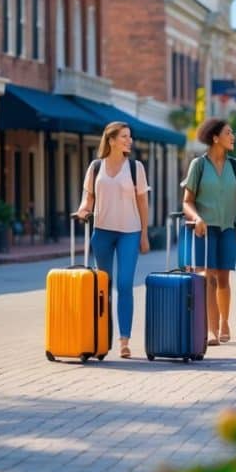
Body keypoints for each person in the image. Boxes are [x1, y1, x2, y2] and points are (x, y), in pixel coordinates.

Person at [75, 121, 150, 359]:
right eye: (124, 137)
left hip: (130, 232)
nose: (129, 141)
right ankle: (101, 337)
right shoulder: (96, 167)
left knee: (125, 284)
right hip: (102, 232)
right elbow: (88, 199)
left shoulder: (136, 167)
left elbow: (142, 203)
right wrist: (83, 210)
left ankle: (124, 340)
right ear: (111, 140)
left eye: (130, 137)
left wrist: (145, 234)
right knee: (102, 288)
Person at [181, 118, 236, 346]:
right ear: (215, 137)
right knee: (207, 277)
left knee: (223, 278)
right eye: (229, 133)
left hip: (228, 227)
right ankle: (211, 329)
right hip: (204, 230)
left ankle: (224, 322)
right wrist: (197, 218)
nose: (233, 137)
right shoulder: (198, 166)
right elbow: (187, 202)